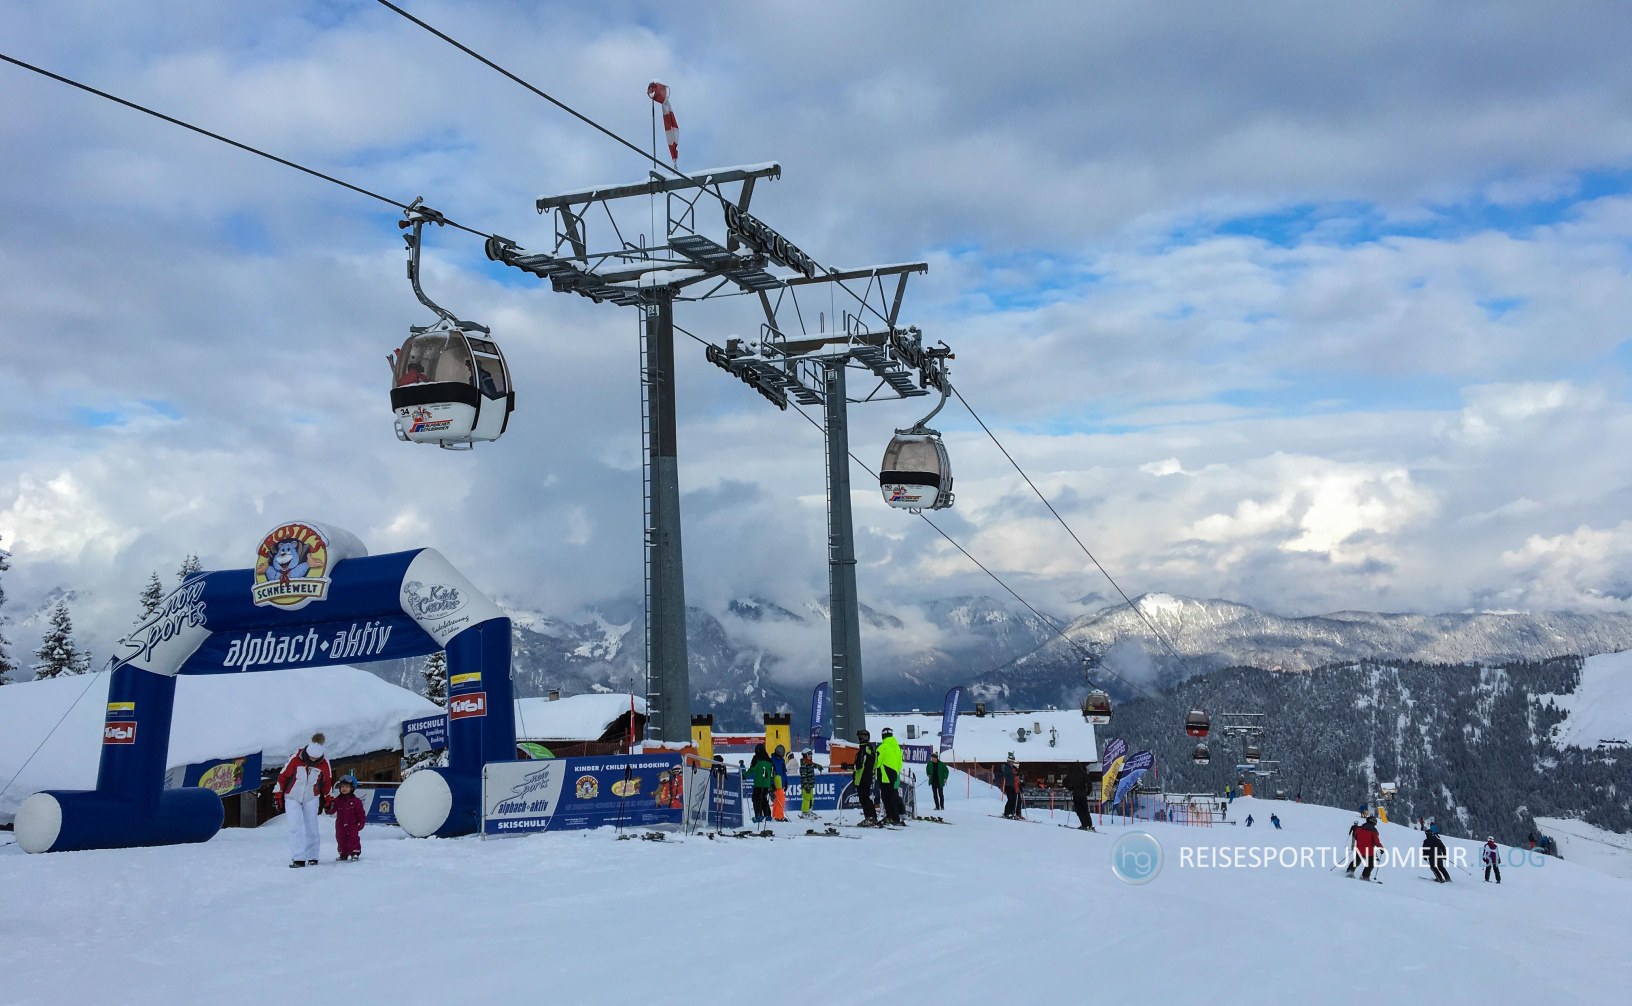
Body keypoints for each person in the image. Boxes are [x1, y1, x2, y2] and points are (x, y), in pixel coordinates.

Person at [275, 733, 332, 867]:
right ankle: (298, 858)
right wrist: (278, 794)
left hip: (311, 797)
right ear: (307, 753)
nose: (313, 760)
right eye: (311, 757)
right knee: (295, 827)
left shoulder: (324, 764)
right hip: (292, 797)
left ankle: (313, 856)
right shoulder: (295, 759)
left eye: (316, 759)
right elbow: (282, 777)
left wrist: (329, 798)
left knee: (312, 827)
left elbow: (327, 783)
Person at [332, 774, 366, 862]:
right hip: (340, 824)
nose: (344, 789)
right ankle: (343, 854)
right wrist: (327, 806)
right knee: (340, 838)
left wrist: (361, 823)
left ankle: (355, 853)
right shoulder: (337, 800)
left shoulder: (356, 801)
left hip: (352, 824)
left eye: (347, 787)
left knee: (353, 838)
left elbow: (361, 813)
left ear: (352, 788)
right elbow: (332, 810)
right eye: (342, 787)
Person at [876, 727, 906, 826]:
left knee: (887, 797)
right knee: (893, 796)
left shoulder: (882, 747)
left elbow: (877, 763)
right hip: (895, 775)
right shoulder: (897, 748)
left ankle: (894, 818)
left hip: (885, 776)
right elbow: (900, 763)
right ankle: (896, 814)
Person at [852, 730, 880, 825]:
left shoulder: (863, 750)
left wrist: (847, 766)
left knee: (864, 798)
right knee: (866, 798)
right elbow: (875, 764)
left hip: (861, 778)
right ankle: (872, 817)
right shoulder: (872, 749)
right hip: (868, 776)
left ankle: (870, 818)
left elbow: (858, 765)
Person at [747, 744, 774, 827]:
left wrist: (744, 775)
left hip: (758, 782)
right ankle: (768, 815)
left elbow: (751, 769)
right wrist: (772, 783)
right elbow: (772, 772)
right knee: (763, 798)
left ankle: (758, 815)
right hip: (767, 783)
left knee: (756, 798)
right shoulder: (769, 759)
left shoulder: (756, 758)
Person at [1348, 815, 1382, 880]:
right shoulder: (1374, 831)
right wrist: (1381, 848)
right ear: (1374, 822)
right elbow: (1377, 842)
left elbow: (1355, 836)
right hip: (1369, 851)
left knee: (1357, 861)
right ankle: (1365, 876)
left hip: (1359, 849)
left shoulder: (1360, 828)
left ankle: (1349, 872)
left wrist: (1360, 842)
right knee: (1370, 864)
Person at [1068, 762, 1095, 831]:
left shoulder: (1072, 774)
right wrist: (1088, 792)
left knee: (1079, 810)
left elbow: (1065, 782)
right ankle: (1090, 824)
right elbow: (1089, 784)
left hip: (1076, 794)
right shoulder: (1083, 774)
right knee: (1085, 809)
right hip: (1083, 794)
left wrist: (1070, 788)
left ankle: (1084, 824)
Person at [999, 754, 1023, 819]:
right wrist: (1015, 775)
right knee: (1010, 799)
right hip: (1008, 785)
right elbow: (1007, 775)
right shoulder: (1006, 767)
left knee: (1013, 799)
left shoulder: (1011, 768)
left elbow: (1014, 776)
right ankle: (1007, 813)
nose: (1012, 763)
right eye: (1011, 761)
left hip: (1012, 785)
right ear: (1008, 761)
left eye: (1013, 761)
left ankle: (1011, 813)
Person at [771, 745, 789, 823]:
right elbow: (771, 774)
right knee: (781, 799)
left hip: (781, 782)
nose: (779, 757)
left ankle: (775, 815)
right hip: (775, 783)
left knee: (777, 800)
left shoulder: (782, 761)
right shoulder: (771, 760)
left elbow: (784, 772)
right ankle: (779, 816)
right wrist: (771, 785)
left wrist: (786, 782)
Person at [798, 749, 818, 819]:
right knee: (806, 799)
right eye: (809, 754)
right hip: (806, 786)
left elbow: (813, 765)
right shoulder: (804, 764)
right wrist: (806, 786)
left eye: (811, 754)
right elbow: (803, 776)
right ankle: (804, 812)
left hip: (810, 785)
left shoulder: (809, 763)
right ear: (805, 755)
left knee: (811, 798)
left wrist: (818, 766)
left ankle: (809, 811)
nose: (810, 756)